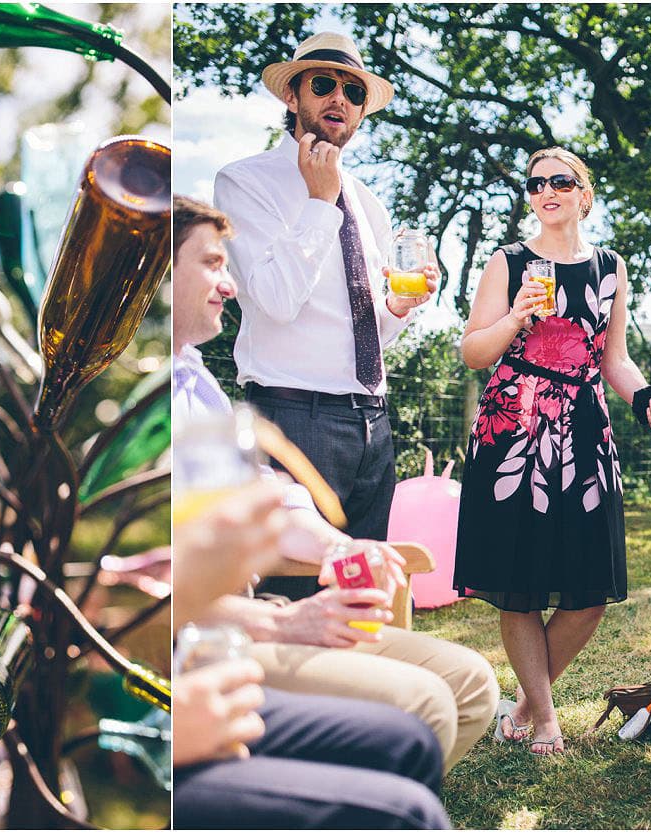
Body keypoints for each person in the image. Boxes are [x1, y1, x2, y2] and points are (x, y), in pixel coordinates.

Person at [170, 194, 496, 772]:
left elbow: (274, 499)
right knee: (424, 706)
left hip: (364, 419)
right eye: (213, 264)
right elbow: (166, 591)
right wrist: (286, 622)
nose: (230, 285)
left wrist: (343, 548)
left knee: (471, 682)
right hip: (204, 643)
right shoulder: (145, 411)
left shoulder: (195, 382)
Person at [453, 147, 651, 757]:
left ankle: (522, 705)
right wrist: (517, 315)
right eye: (535, 183)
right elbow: (474, 350)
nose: (545, 190)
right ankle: (545, 717)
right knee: (518, 580)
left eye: (560, 180)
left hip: (583, 427)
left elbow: (614, 360)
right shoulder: (509, 262)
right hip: (514, 426)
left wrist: (646, 401)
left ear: (585, 194)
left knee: (590, 588)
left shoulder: (610, 267)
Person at [210, 32, 436, 571]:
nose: (339, 99)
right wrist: (318, 200)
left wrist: (400, 311)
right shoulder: (244, 182)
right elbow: (274, 301)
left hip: (373, 423)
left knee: (359, 594)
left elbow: (363, 331)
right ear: (293, 95)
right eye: (324, 84)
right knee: (290, 597)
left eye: (353, 92)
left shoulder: (370, 201)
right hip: (293, 418)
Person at [171, 482, 449, 829]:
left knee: (433, 721)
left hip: (243, 622)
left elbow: (279, 505)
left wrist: (340, 547)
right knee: (410, 804)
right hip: (199, 648)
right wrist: (283, 622)